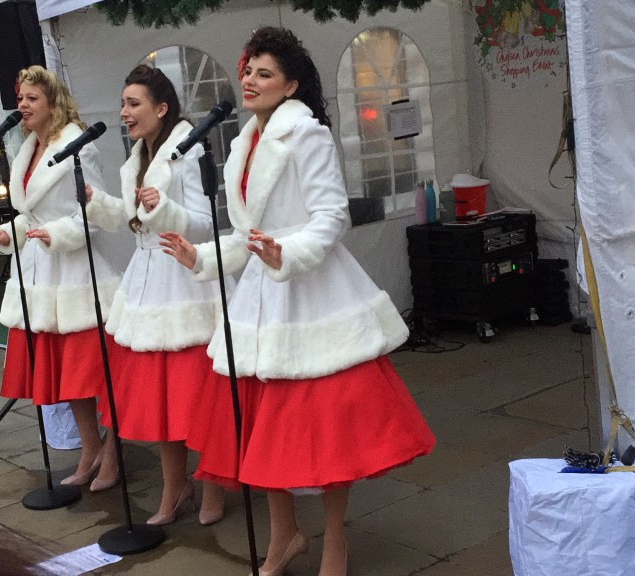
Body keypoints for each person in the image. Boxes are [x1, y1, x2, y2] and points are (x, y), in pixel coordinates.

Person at [160, 27, 436, 576]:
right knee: (262, 430)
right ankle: (284, 535)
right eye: (248, 70)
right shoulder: (242, 142)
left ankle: (334, 540)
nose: (250, 79)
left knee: (327, 435)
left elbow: (331, 219)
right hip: (262, 301)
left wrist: (284, 251)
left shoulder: (306, 134)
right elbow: (247, 233)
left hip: (311, 294)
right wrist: (202, 257)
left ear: (289, 86)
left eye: (264, 73)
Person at [83, 64, 233, 525]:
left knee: (196, 398)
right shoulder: (136, 159)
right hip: (146, 285)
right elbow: (132, 222)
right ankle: (174, 486)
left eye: (134, 103)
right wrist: (94, 199)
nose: (124, 113)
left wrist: (166, 210)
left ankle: (212, 487)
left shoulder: (185, 152)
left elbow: (208, 223)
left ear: (161, 108)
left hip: (185, 280)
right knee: (160, 401)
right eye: (123, 104)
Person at [0, 65, 121, 490]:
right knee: (69, 378)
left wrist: (53, 234)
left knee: (95, 374)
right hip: (40, 277)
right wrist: (9, 233)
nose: (22, 105)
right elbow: (32, 215)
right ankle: (90, 450)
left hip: (76, 273)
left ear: (53, 102)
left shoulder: (78, 145)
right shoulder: (28, 147)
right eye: (19, 99)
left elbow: (88, 215)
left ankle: (112, 454)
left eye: (31, 98)